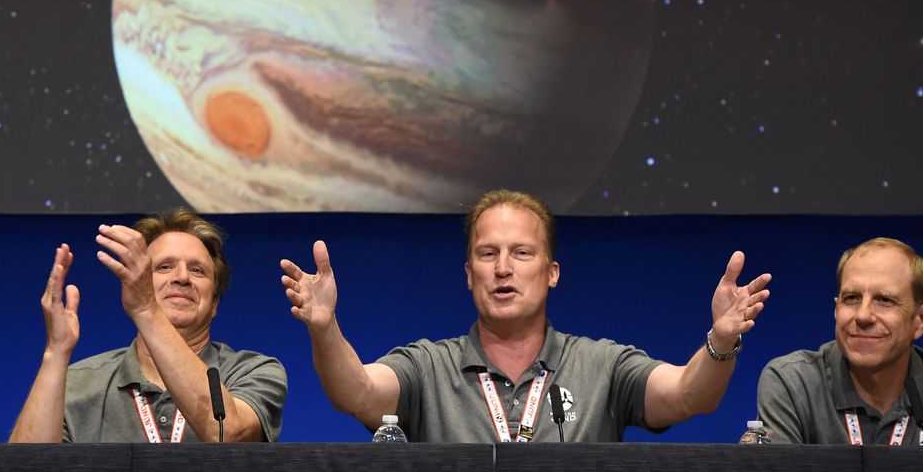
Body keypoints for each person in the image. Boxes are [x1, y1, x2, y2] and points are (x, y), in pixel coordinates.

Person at [281, 189, 771, 442]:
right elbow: (357, 392)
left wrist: (721, 340)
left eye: (521, 253)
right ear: (468, 274)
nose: (503, 269)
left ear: (552, 272)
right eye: (488, 254)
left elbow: (689, 395)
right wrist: (325, 330)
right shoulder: (428, 365)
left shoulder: (603, 365)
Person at [10, 208, 286, 443]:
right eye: (164, 267)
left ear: (214, 302)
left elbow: (227, 433)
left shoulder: (253, 371)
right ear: (136, 283)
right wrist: (56, 352)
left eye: (197, 270)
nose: (182, 277)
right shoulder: (79, 381)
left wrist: (146, 309)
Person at [757, 237, 923, 445]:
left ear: (921, 319)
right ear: (836, 308)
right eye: (851, 298)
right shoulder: (794, 384)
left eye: (885, 300)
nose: (863, 316)